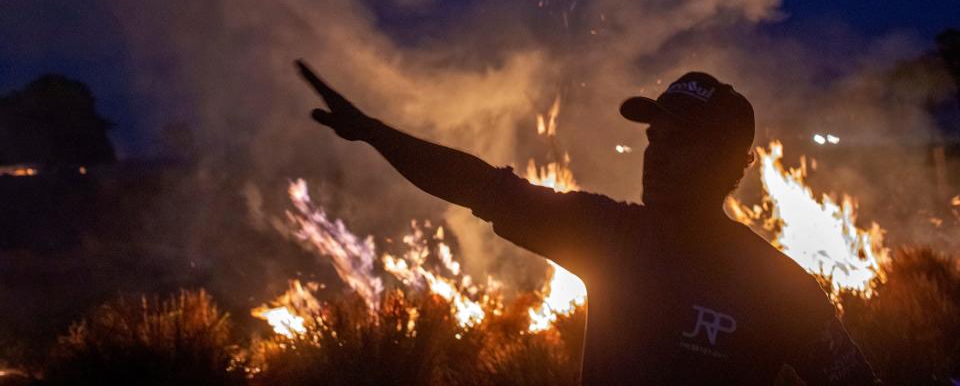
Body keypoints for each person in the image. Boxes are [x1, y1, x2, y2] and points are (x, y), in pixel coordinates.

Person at [295, 60, 879, 385]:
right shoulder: (607, 235)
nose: (656, 153)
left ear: (730, 164)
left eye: (680, 142)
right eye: (654, 138)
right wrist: (375, 133)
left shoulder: (777, 286)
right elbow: (477, 184)